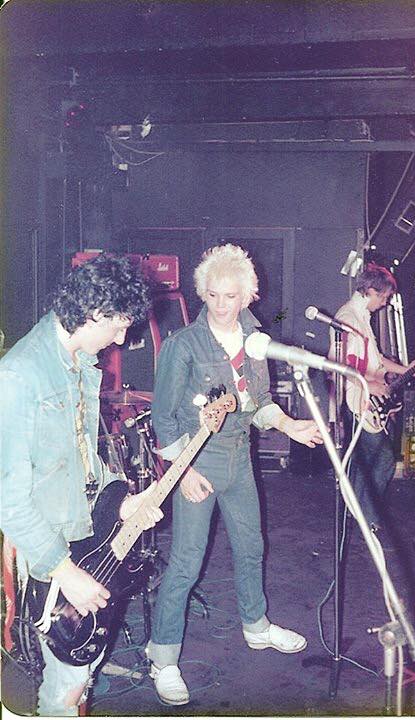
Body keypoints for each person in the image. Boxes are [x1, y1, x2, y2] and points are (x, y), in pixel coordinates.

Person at [147, 243, 322, 706]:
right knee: (186, 562)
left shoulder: (255, 340)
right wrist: (182, 472)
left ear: (247, 296)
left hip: (239, 460)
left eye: (231, 296)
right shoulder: (184, 345)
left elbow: (257, 404)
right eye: (214, 295)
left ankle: (256, 626)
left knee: (251, 547)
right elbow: (163, 418)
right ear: (202, 292)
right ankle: (162, 657)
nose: (222, 305)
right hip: (197, 461)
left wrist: (289, 425)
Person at [0, 254, 163, 716]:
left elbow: (82, 456)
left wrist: (121, 500)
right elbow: (8, 500)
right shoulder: (19, 376)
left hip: (80, 533)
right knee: (62, 683)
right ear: (93, 313)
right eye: (118, 327)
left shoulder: (78, 362)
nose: (122, 339)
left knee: (77, 672)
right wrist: (66, 573)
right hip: (42, 552)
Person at [330, 263, 415, 534]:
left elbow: (377, 359)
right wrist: (370, 385)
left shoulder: (361, 317)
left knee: (367, 462)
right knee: (383, 459)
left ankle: (359, 515)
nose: (384, 303)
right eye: (383, 297)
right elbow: (338, 365)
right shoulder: (348, 318)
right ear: (370, 291)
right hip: (357, 402)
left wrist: (407, 369)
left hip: (365, 402)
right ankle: (368, 518)